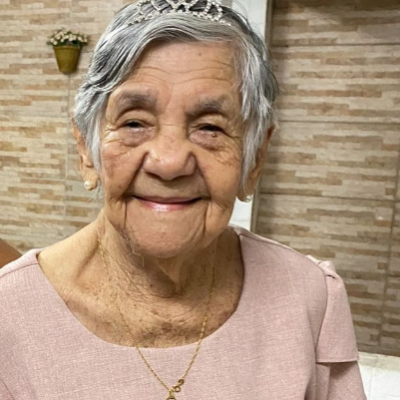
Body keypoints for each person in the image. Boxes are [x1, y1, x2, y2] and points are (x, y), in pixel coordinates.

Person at [0, 1, 367, 399]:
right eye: (134, 122)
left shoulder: (311, 296)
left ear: (256, 158)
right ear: (86, 150)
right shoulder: (9, 315)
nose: (170, 162)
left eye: (210, 128)